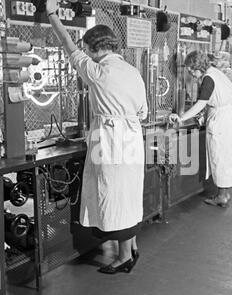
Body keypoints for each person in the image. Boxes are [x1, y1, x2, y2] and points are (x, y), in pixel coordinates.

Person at [47, 0, 148, 274]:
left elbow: (69, 45)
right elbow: (143, 112)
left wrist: (53, 16)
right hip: (132, 138)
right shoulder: (133, 71)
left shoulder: (97, 70)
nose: (86, 53)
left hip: (111, 141)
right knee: (127, 194)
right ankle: (133, 246)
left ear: (92, 48)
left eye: (87, 49)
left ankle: (123, 257)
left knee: (112, 195)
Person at [169, 51, 232, 207]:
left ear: (197, 65)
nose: (190, 72)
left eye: (191, 69)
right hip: (230, 116)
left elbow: (201, 103)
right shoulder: (216, 73)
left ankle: (222, 195)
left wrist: (182, 117)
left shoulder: (208, 78)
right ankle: (223, 192)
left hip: (222, 119)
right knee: (225, 155)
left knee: (219, 155)